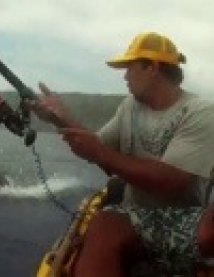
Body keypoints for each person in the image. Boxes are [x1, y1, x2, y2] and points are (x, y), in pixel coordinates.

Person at [28, 32, 214, 276]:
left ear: (153, 68)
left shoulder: (200, 112)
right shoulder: (129, 106)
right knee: (105, 224)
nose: (125, 76)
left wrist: (100, 153)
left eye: (130, 68)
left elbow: (172, 181)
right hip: (131, 216)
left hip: (183, 220)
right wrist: (60, 118)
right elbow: (98, 147)